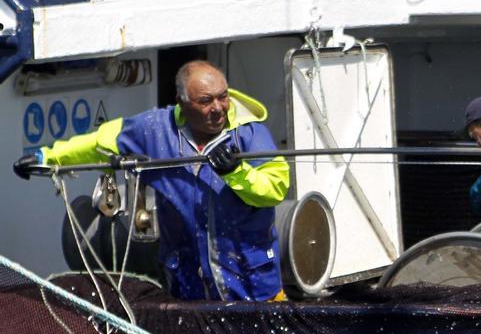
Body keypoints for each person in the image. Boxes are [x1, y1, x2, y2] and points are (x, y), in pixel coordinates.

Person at [12, 60, 290, 302]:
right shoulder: (155, 130)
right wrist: (47, 157)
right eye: (206, 101)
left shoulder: (250, 134)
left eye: (223, 97)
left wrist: (237, 173)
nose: (218, 108)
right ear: (182, 102)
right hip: (188, 291)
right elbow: (99, 141)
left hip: (254, 291)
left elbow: (275, 190)